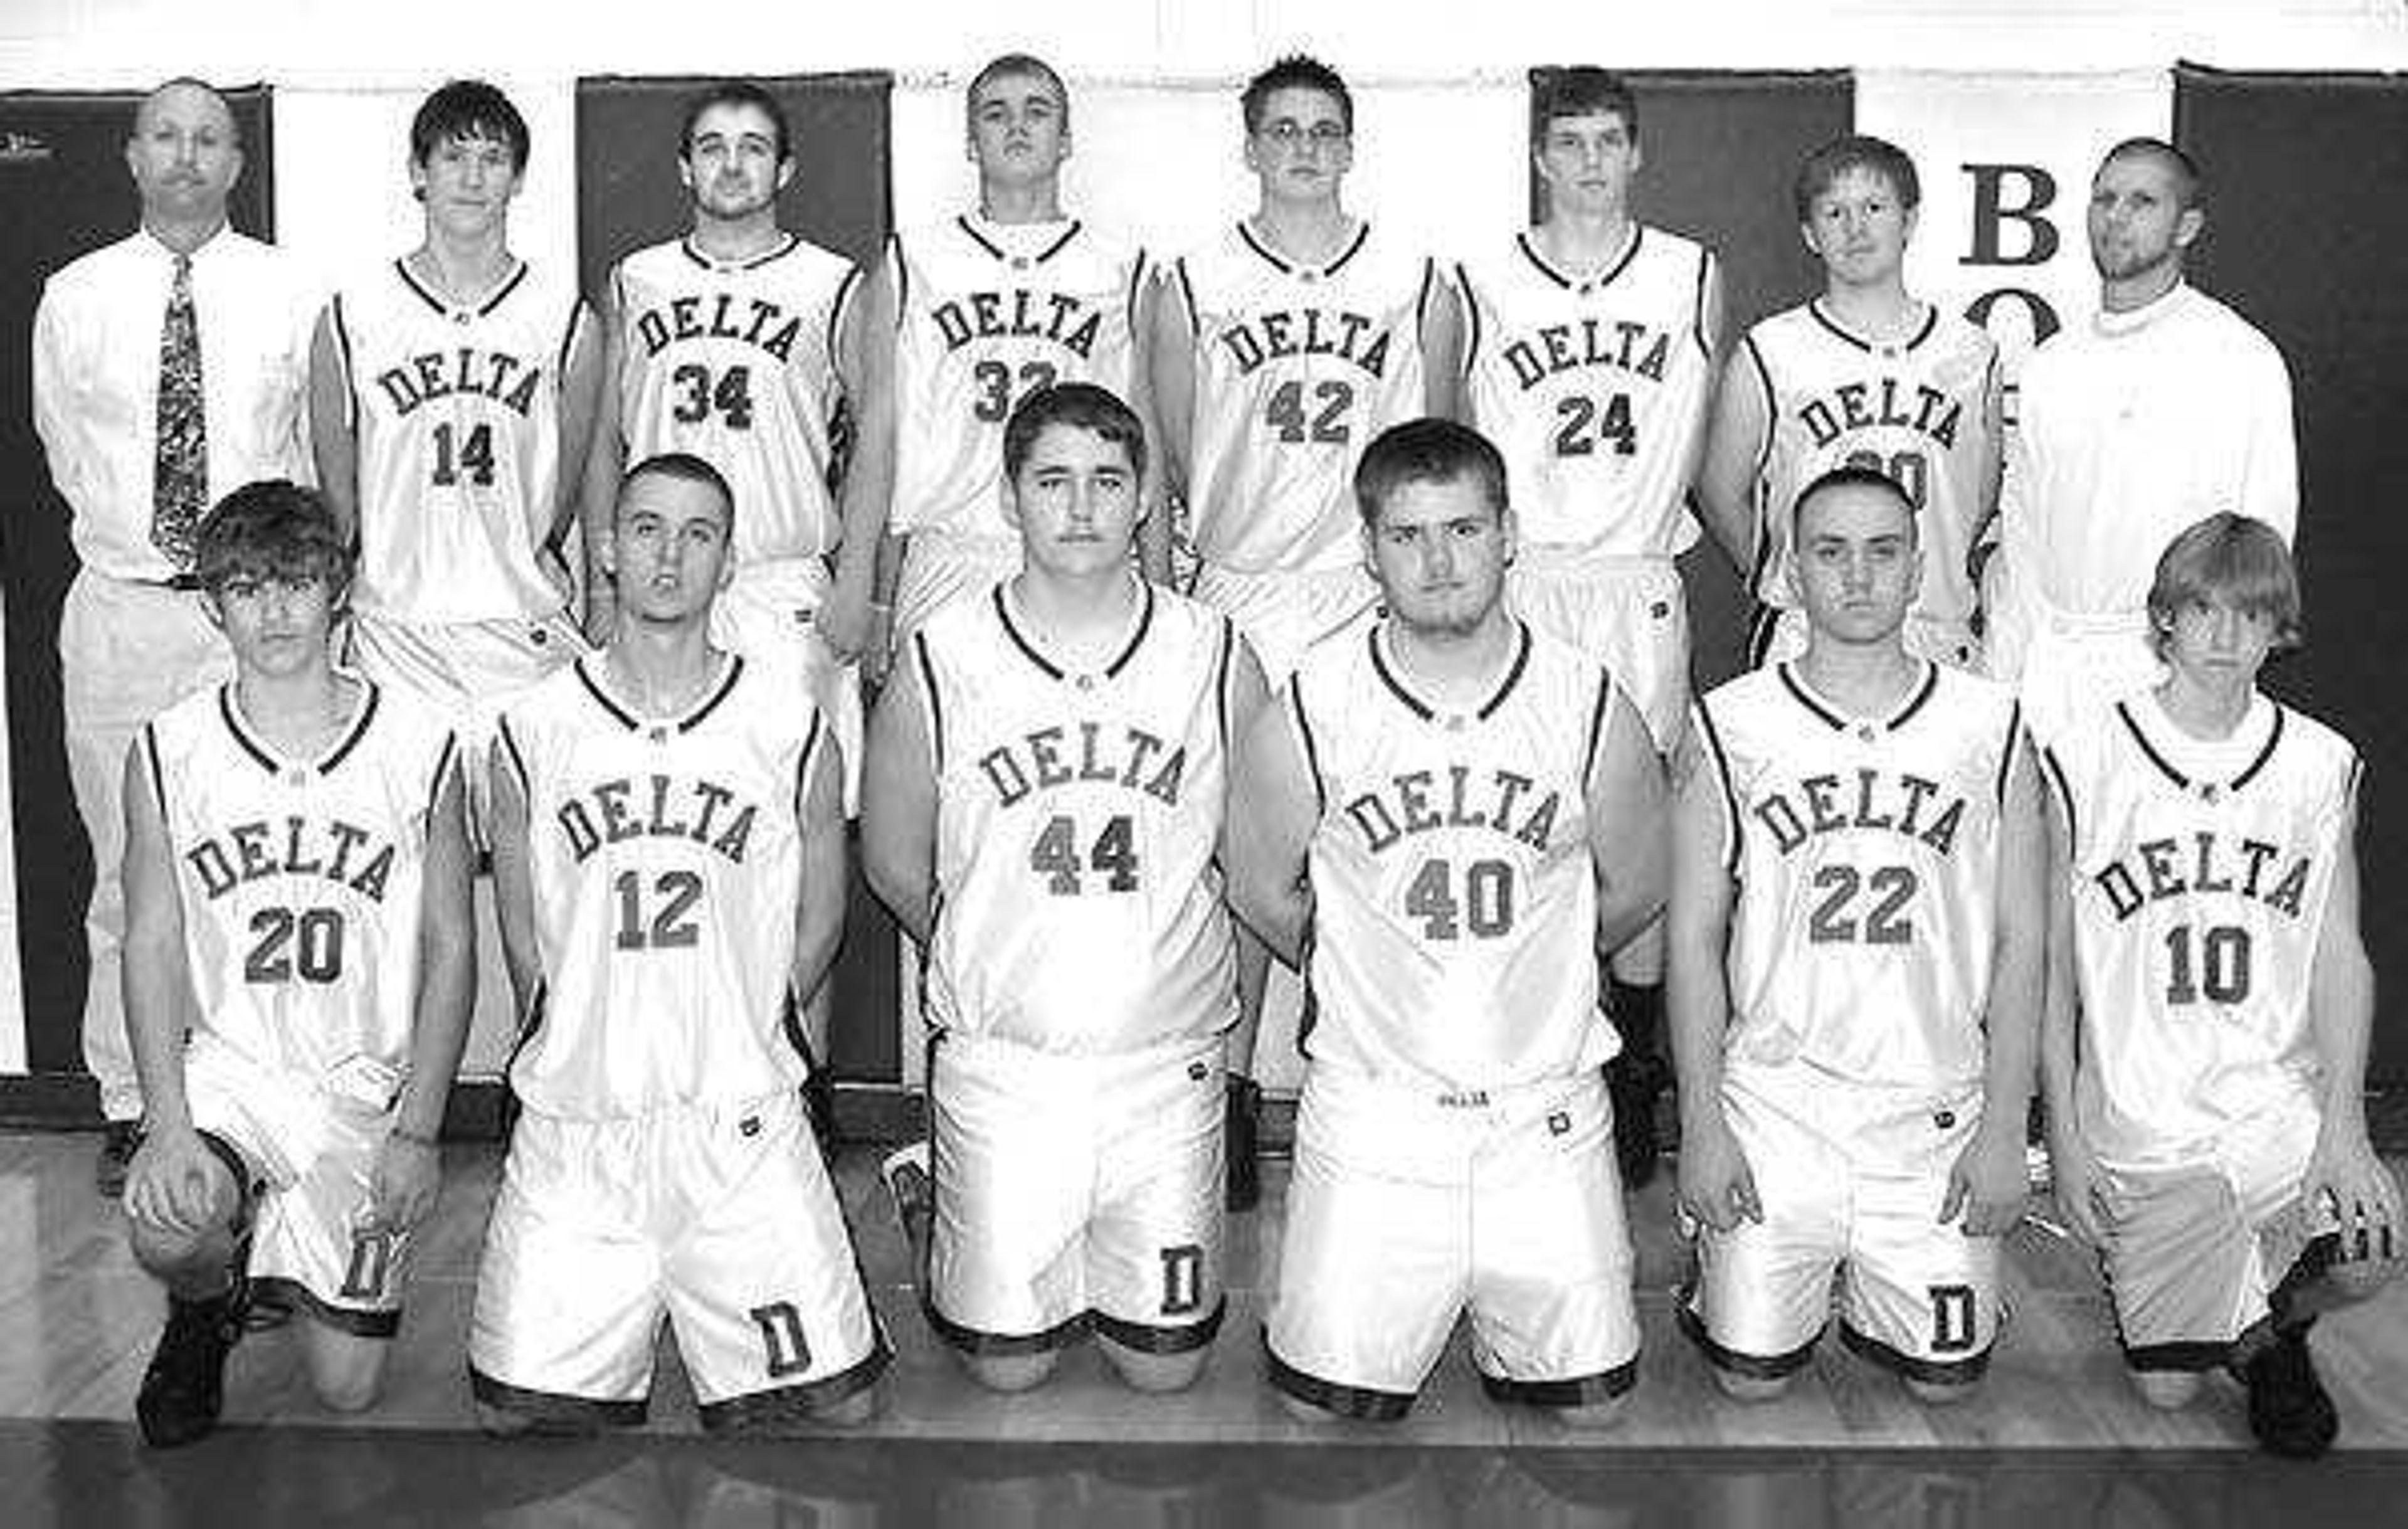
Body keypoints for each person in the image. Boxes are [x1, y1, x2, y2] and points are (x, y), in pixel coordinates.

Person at [1228, 418, 1666, 1426]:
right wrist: (1360, 966)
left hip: (1540, 1114)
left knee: (1593, 1416)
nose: (1439, 561)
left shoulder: (1589, 702)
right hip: (1375, 1111)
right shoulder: (1312, 706)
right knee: (1320, 1418)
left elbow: (1635, 888)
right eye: (1409, 535)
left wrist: (1529, 971)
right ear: (1369, 548)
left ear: (1510, 534)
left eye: (1464, 530)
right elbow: (1259, 885)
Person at [861, 382, 1265, 1394]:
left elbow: (1257, 860)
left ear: (1143, 502)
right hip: (1005, 1065)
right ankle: (940, 1191)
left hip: (1166, 1061)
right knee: (1010, 1372)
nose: (1081, 507)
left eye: (1106, 481)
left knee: (1163, 1369)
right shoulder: (942, 657)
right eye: (1053, 481)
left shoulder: (1214, 654)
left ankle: (1063, 1234)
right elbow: (895, 860)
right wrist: (993, 947)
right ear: (1010, 500)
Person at [470, 452, 887, 1431]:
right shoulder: (533, 727)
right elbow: (525, 925)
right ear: (609, 550)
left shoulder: (789, 723)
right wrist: (570, 1028)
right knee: (512, 1419)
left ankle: (726, 1290)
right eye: (649, 528)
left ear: (728, 561)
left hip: (736, 1116)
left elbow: (819, 911)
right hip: (585, 1122)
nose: (671, 555)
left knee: (841, 1413)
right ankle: (636, 1305)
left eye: (699, 535)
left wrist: (760, 1019)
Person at [1154, 53, 1461, 1200]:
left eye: (1323, 130)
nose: (1303, 148)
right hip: (1242, 581)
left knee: (1378, 848)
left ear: (1349, 145)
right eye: (1282, 129)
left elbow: (1436, 444)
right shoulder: (1193, 277)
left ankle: (1376, 1085)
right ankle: (1224, 1091)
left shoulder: (1411, 273)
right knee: (1232, 856)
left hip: (1358, 585)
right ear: (1250, 145)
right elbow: (1176, 444)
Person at [1667, 467, 2041, 1405]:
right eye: (1830, 552)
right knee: (1751, 1386)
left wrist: (2006, 1128)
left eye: (1884, 551)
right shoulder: (1731, 722)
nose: (1860, 577)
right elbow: (1692, 940)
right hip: (1777, 1109)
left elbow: (2024, 941)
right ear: (1793, 572)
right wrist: (1704, 1128)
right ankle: (1714, 1271)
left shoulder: (1991, 726)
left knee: (1946, 1389)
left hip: (1932, 1114)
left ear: (1921, 568)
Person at [117, 480, 474, 1447]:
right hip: (235, 1070)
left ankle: (269, 1246)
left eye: (298, 582)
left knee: (347, 1388)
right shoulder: (170, 749)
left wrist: (421, 1129)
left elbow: (451, 947)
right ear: (212, 605)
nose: (275, 610)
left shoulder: (421, 743)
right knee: (170, 1221)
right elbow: (149, 938)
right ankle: (201, 1305)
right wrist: (166, 1122)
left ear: (340, 590)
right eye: (247, 586)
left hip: (362, 1086)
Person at [2040, 513, 2400, 1458]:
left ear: (2279, 629)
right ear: (2163, 618)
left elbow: (2339, 951)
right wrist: (2062, 1136)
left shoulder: (2320, 763)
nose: (2224, 635)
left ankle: (2272, 1334)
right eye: (2203, 608)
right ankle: (2233, 1310)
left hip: (2272, 1100)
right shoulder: (2085, 756)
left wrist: (2347, 1127)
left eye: (2250, 614)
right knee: (2163, 1392)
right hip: (2143, 1119)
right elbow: (2046, 966)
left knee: (2372, 1242)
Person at [32, 77, 319, 1194]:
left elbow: (309, 446)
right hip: (120, 608)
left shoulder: (294, 289)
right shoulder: (76, 293)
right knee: (125, 867)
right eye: (167, 137)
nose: (187, 157)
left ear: (237, 163)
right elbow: (65, 443)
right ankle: (130, 1099)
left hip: (254, 617)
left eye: (209, 139)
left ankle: (257, 1101)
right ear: (133, 157)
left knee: (260, 861)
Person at [1452, 65, 1722, 1185]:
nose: (1592, 161)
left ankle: (1637, 1062)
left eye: (1611, 141)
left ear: (1637, 153)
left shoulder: (1689, 273)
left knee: (1639, 825)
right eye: (1572, 142)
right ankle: (1538, 1039)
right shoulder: (1483, 277)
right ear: (1541, 158)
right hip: (1536, 572)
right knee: (1527, 815)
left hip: (1635, 575)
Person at [584, 79, 871, 781]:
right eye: (713, 148)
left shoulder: (831, 284)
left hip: (780, 582)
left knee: (798, 806)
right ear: (686, 168)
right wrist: (599, 583)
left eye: (754, 148)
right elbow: (601, 440)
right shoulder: (637, 279)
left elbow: (878, 439)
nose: (733, 165)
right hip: (658, 578)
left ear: (786, 169)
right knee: (673, 798)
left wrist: (860, 578)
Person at [310, 78, 601, 746]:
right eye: (451, 157)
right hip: (395, 625)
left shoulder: (563, 318)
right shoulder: (353, 314)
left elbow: (566, 486)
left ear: (518, 179)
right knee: (412, 838)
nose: (473, 178)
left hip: (519, 619)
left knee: (530, 833)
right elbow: (340, 488)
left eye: (493, 159)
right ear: (418, 172)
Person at [1987, 139, 2296, 741]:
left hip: (2173, 680)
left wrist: (2211, 682)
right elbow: (2021, 540)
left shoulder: (2238, 358)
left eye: (2142, 202)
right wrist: (2004, 686)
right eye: (2104, 199)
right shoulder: (2054, 364)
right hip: (2053, 679)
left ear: (2187, 225)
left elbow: (2262, 540)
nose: (2116, 217)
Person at [863, 53, 1156, 651]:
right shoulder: (913, 262)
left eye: (1037, 112)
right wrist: (871, 590)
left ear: (1066, 139)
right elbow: (883, 432)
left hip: (1079, 545)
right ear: (972, 144)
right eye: (996, 115)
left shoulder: (1122, 267)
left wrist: (1160, 578)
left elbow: (1143, 428)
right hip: (951, 548)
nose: (1017, 127)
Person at [1698, 134, 2000, 673]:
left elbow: (1977, 497)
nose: (1856, 228)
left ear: (1908, 222)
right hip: (1807, 636)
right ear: (1811, 235)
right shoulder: (1772, 351)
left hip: (1934, 626)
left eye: (1875, 208)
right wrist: (1785, 581)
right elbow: (1719, 491)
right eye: (1835, 213)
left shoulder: (1971, 352)